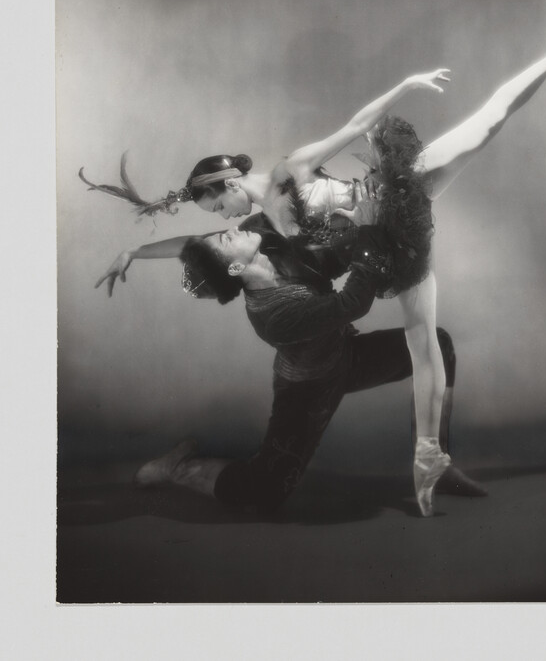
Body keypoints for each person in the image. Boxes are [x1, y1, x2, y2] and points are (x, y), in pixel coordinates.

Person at [88, 9, 546, 514]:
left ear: (230, 184)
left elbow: (355, 125)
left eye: (220, 207)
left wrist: (406, 85)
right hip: (377, 254)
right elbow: (196, 245)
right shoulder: (255, 232)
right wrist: (135, 252)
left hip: (391, 200)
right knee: (421, 344)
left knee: (486, 126)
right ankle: (426, 463)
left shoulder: (291, 171)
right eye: (219, 217)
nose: (225, 219)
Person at [133, 213, 486, 515]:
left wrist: (365, 226)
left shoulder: (272, 249)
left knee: (438, 346)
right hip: (308, 391)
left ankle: (438, 462)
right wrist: (369, 237)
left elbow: (328, 261)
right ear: (236, 267)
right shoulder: (272, 317)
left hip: (347, 356)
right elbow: (351, 303)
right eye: (224, 241)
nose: (229, 230)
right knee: (266, 494)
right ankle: (177, 468)